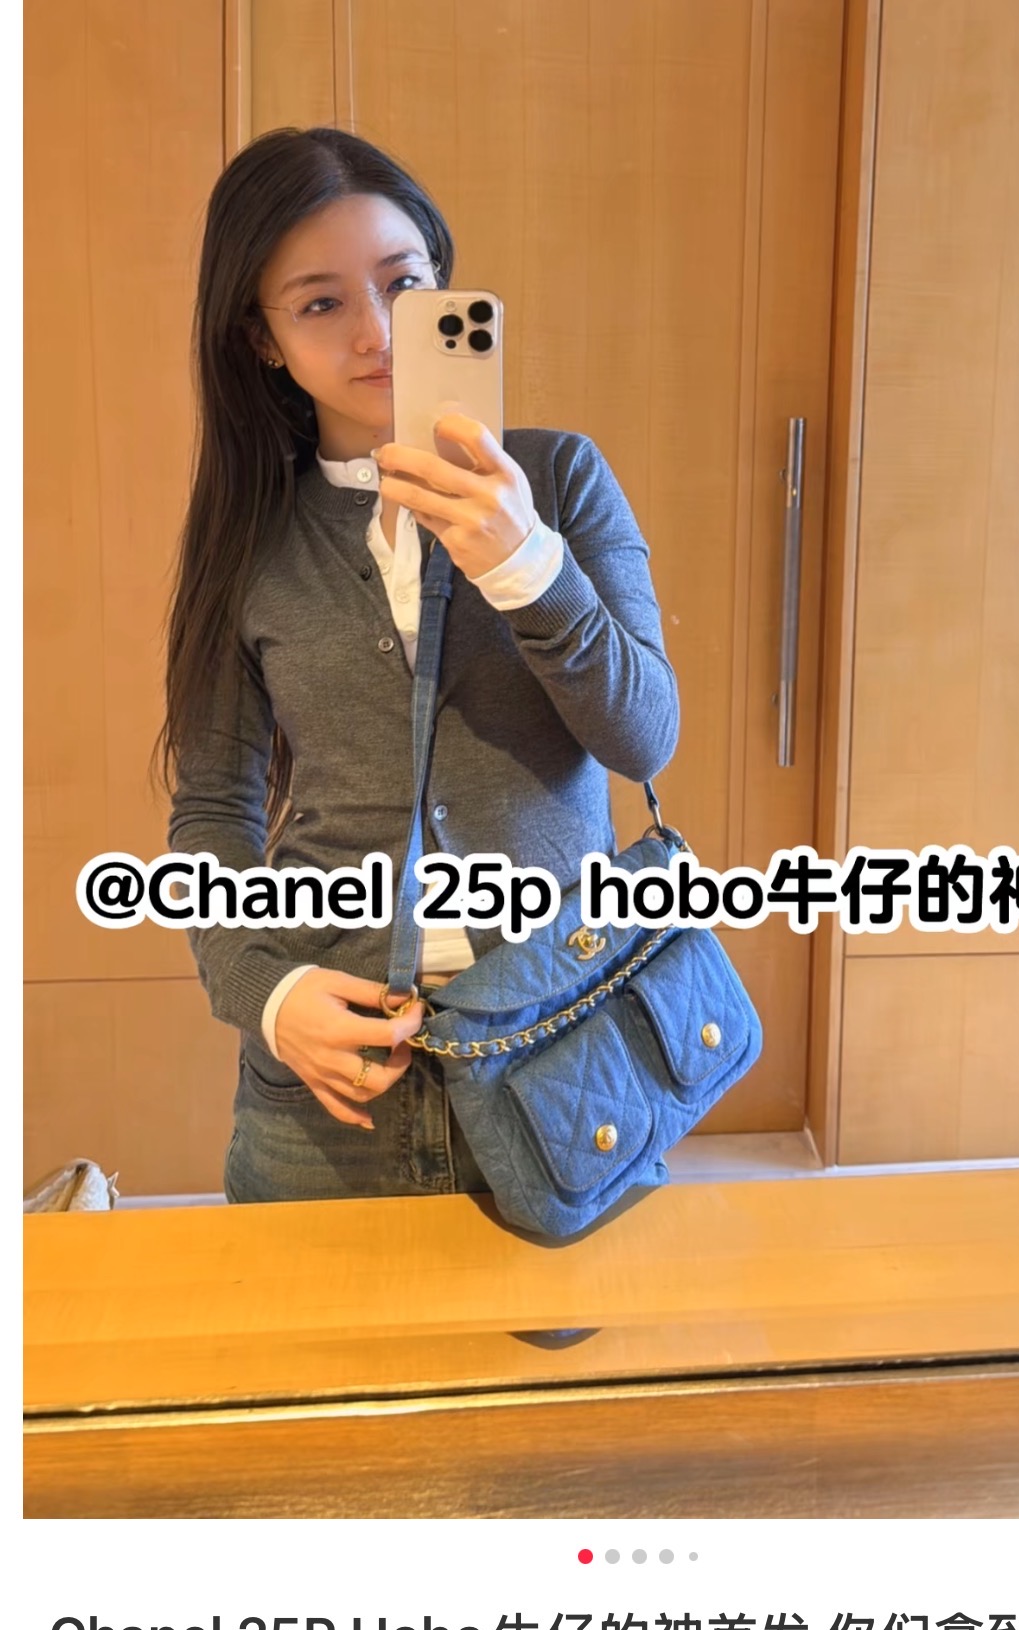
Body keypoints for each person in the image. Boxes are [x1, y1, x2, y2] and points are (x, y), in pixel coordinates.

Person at [158, 125, 680, 1216]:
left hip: (561, 1051)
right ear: (262, 340)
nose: (376, 331)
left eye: (403, 284)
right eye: (320, 303)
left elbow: (644, 737)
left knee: (572, 1331)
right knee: (305, 1334)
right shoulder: (250, 537)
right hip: (329, 1081)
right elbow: (211, 809)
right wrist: (267, 994)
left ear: (442, 279)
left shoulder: (557, 481)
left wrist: (528, 567)